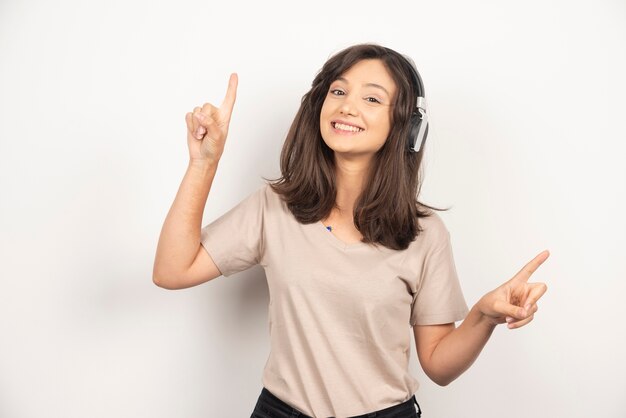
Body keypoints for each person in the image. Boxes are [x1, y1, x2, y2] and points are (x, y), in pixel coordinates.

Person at [153, 44, 549, 418]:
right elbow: (172, 270)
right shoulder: (273, 207)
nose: (347, 106)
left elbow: (439, 366)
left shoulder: (425, 234)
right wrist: (204, 163)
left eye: (372, 98)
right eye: (338, 91)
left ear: (407, 128)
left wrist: (483, 315)